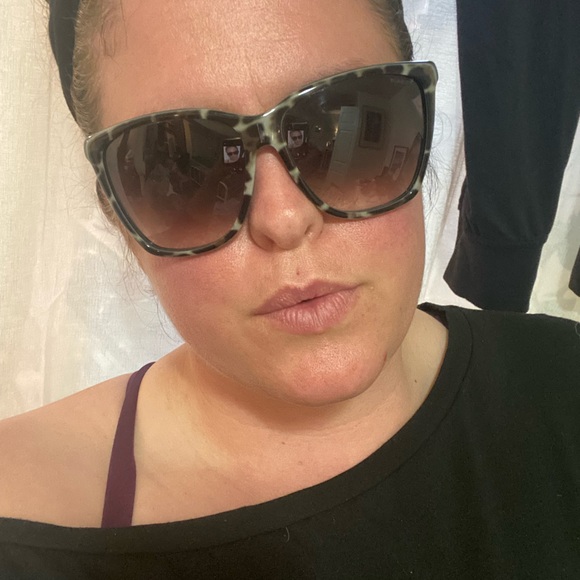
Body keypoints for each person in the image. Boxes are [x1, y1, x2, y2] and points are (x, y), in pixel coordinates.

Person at [0, 0, 578, 577]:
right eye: (185, 166)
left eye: (342, 125)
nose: (284, 219)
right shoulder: (21, 515)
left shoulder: (563, 377)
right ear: (120, 218)